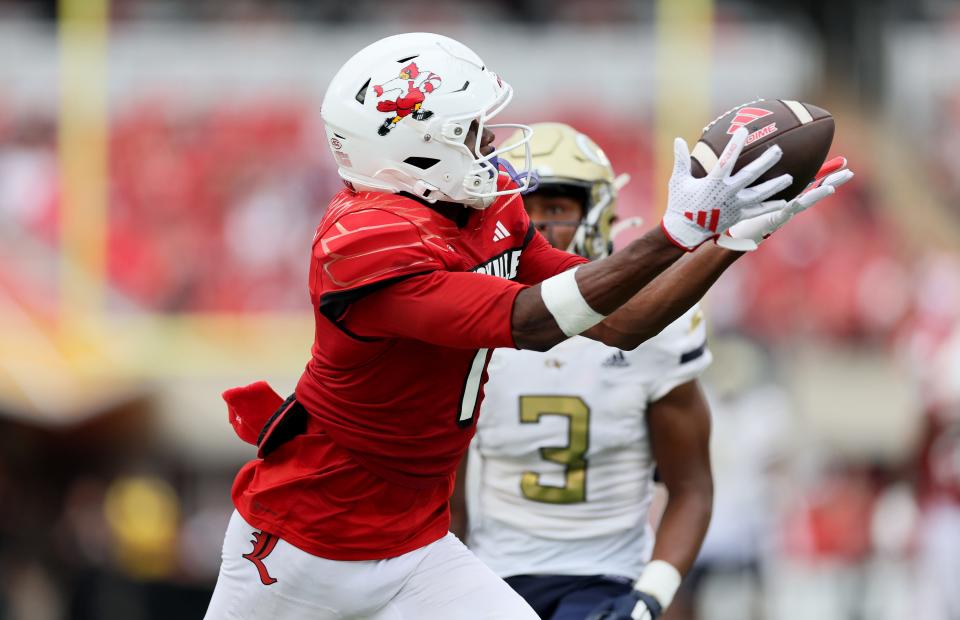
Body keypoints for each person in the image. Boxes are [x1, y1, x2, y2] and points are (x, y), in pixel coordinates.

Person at [203, 31, 832, 619]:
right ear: (414, 146)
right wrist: (675, 234)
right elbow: (532, 323)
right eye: (470, 131)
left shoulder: (483, 206)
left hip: (415, 547)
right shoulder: (363, 243)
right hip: (302, 543)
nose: (490, 145)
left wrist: (729, 239)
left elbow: (621, 324)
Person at [452, 124, 854, 620]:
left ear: (598, 213)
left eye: (556, 208)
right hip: (493, 577)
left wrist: (649, 596)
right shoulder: (479, 312)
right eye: (524, 206)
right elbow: (448, 486)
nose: (536, 223)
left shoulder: (659, 323)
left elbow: (690, 487)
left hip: (607, 578)